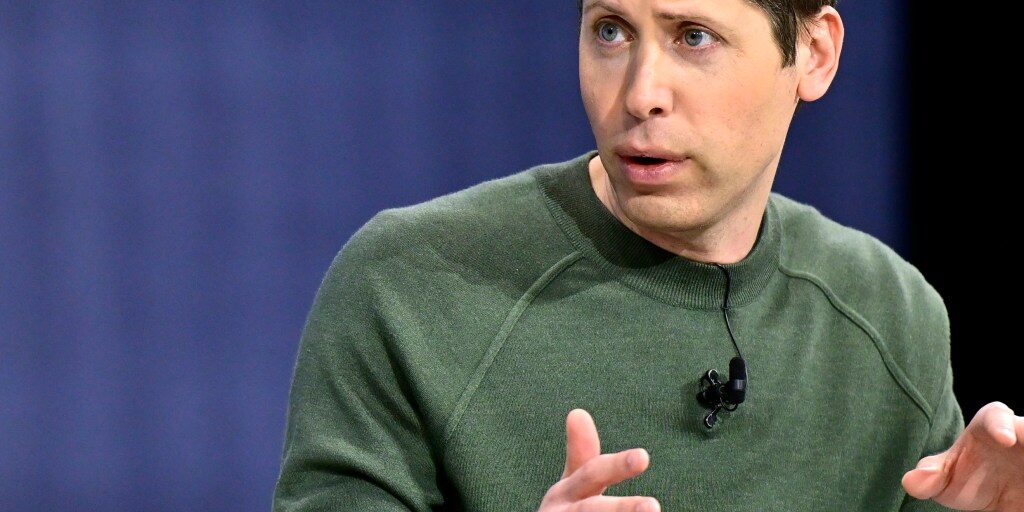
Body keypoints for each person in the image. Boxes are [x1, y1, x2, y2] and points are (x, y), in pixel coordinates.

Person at [272, 0, 1024, 510]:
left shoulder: (890, 315)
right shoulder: (407, 287)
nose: (639, 94)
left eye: (693, 36)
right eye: (611, 31)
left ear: (815, 53)